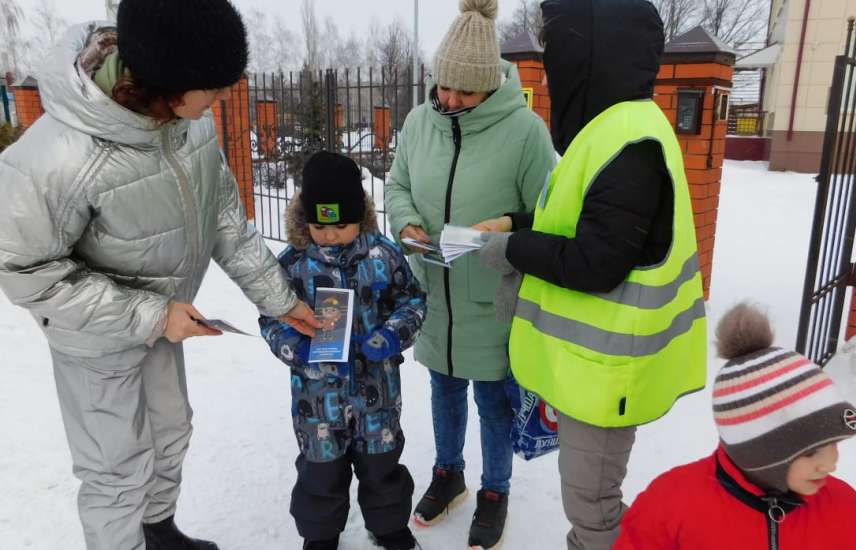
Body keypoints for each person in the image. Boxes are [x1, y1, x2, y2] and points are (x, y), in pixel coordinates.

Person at [0, 2, 320, 549]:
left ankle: (159, 532)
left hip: (161, 322)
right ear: (169, 84)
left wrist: (280, 299)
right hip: (95, 341)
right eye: (214, 89)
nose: (222, 100)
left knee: (170, 435)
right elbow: (27, 272)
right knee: (115, 470)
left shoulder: (191, 125)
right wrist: (152, 314)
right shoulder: (55, 159)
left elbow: (225, 218)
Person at [476, 0, 707, 548]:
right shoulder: (614, 129)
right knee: (588, 497)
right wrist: (517, 223)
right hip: (594, 369)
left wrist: (513, 248)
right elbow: (582, 222)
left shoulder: (630, 143)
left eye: (561, 51)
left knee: (593, 505)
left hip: (610, 375)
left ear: (591, 55)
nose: (555, 70)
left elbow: (596, 261)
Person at [384, 0, 555, 547]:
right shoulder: (418, 121)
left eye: (463, 91)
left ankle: (495, 489)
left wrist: (505, 224)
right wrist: (408, 222)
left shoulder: (526, 132)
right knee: (443, 389)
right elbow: (397, 185)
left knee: (493, 402)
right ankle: (448, 473)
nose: (448, 100)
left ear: (488, 85)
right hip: (434, 292)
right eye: (442, 86)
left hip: (492, 298)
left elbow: (548, 217)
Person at [612, 303, 856, 549]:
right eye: (811, 452)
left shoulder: (844, 508)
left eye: (833, 443)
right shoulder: (670, 505)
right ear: (761, 454)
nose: (830, 463)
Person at [259, 152, 427, 550]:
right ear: (305, 219)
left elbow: (413, 302)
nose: (329, 235)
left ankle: (389, 527)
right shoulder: (293, 265)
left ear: (361, 216)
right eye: (319, 225)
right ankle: (320, 536)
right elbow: (271, 318)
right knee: (320, 474)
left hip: (377, 396)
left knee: (382, 467)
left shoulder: (384, 256)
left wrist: (391, 334)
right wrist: (296, 346)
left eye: (340, 225)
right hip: (317, 401)